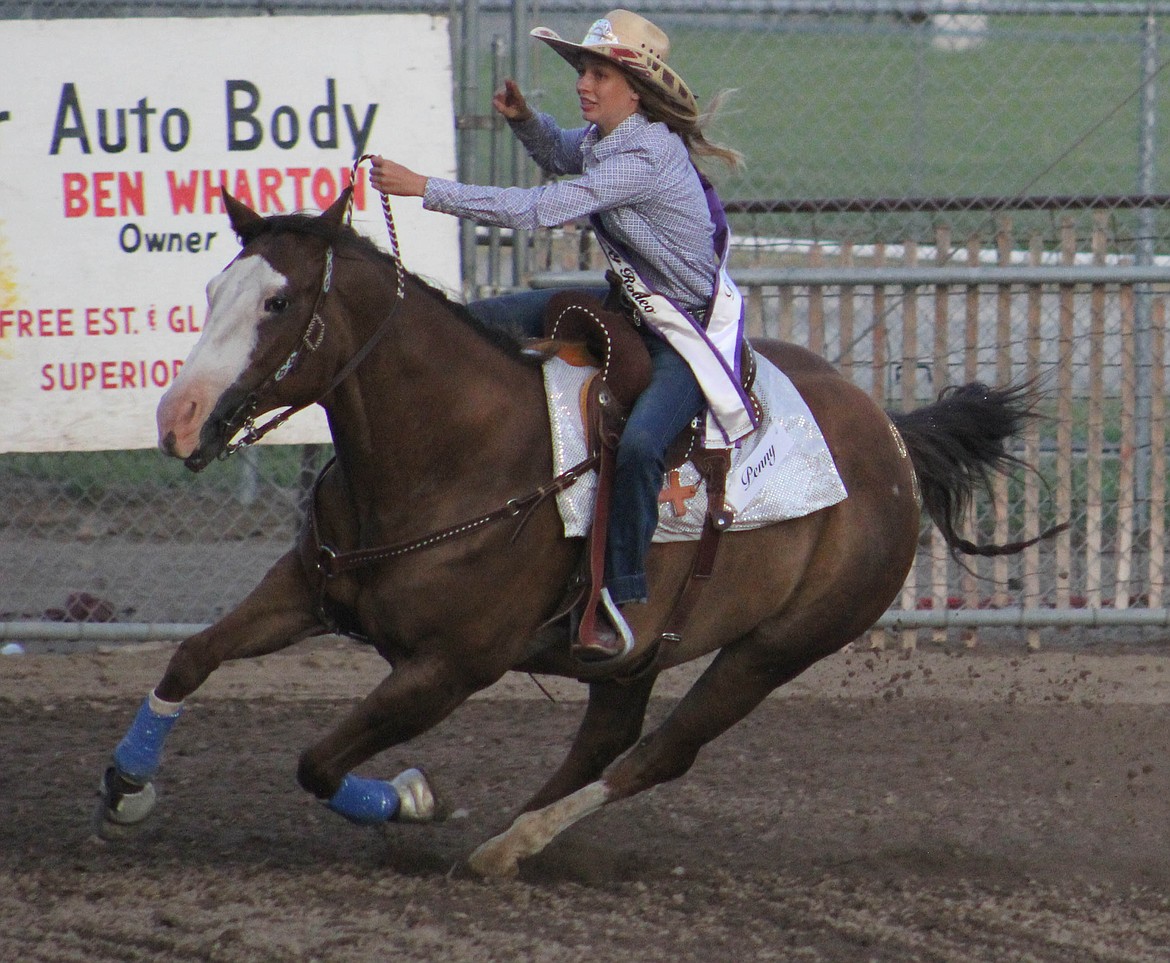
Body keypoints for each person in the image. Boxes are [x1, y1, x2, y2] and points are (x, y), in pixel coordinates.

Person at [369, 9, 757, 659]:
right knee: (478, 322)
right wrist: (525, 122)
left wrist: (424, 189)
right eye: (583, 70)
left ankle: (621, 596)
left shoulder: (644, 156)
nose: (584, 83)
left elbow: (544, 208)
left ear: (635, 90)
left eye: (599, 73)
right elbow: (561, 154)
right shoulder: (613, 140)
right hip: (630, 308)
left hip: (686, 337)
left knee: (637, 447)